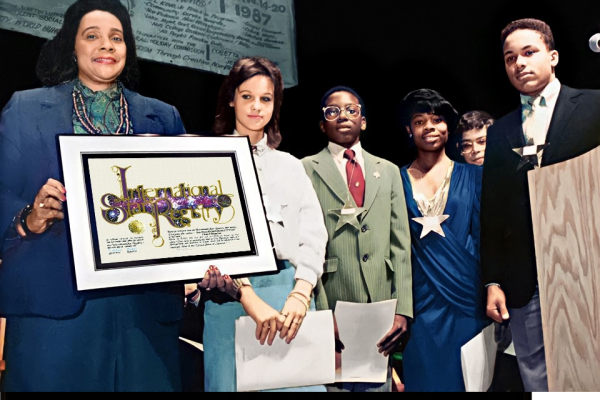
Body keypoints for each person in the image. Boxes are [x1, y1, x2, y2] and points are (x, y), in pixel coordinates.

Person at [0, 0, 187, 391]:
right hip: (54, 314)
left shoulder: (164, 116)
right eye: (93, 36)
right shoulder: (26, 108)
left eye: (116, 38)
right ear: (72, 45)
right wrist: (27, 217)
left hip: (143, 315)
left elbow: (182, 204)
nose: (106, 46)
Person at [192, 56, 328, 392]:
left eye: (265, 99)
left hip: (289, 297)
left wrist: (301, 293)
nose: (256, 107)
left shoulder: (291, 166)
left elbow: (313, 235)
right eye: (247, 96)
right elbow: (206, 236)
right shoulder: (204, 160)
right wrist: (246, 293)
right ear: (230, 98)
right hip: (230, 301)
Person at [481, 18, 600, 392]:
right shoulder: (499, 131)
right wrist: (494, 280)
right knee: (538, 378)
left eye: (529, 52)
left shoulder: (595, 106)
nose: (519, 63)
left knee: (590, 372)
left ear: (553, 56)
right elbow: (493, 212)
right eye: (510, 57)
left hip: (587, 269)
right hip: (523, 279)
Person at [301, 86, 413, 392]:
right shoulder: (305, 169)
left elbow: (401, 245)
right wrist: (319, 314)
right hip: (333, 297)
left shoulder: (388, 171)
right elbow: (304, 247)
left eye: (351, 110)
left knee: (377, 383)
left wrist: (403, 308)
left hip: (381, 302)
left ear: (363, 120)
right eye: (332, 111)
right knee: (333, 382)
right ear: (322, 124)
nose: (343, 116)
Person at [397, 88, 490, 392]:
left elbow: (484, 238)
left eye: (437, 120)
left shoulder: (474, 176)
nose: (430, 128)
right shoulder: (394, 179)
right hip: (420, 303)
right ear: (409, 130)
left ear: (448, 127)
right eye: (420, 121)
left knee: (470, 382)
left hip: (467, 299)